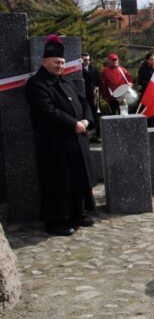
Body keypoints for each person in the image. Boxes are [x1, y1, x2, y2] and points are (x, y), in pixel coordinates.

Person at [26, 35, 96, 236]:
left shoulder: (66, 81)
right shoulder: (36, 84)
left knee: (77, 179)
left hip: (76, 140)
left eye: (63, 63)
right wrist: (73, 123)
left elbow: (83, 102)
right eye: (56, 62)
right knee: (59, 182)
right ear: (45, 62)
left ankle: (77, 214)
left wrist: (87, 121)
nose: (60, 66)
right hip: (54, 143)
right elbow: (47, 111)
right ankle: (56, 222)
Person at [80, 52, 101, 143]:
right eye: (85, 60)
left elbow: (98, 81)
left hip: (94, 96)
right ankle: (86, 136)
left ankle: (94, 135)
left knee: (95, 115)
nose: (87, 61)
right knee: (85, 115)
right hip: (84, 96)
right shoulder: (79, 70)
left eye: (88, 60)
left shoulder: (93, 69)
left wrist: (97, 91)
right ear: (81, 60)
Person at [137, 53, 154, 127]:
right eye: (151, 59)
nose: (153, 61)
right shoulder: (143, 68)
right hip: (146, 92)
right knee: (146, 110)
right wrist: (148, 84)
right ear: (147, 60)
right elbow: (140, 81)